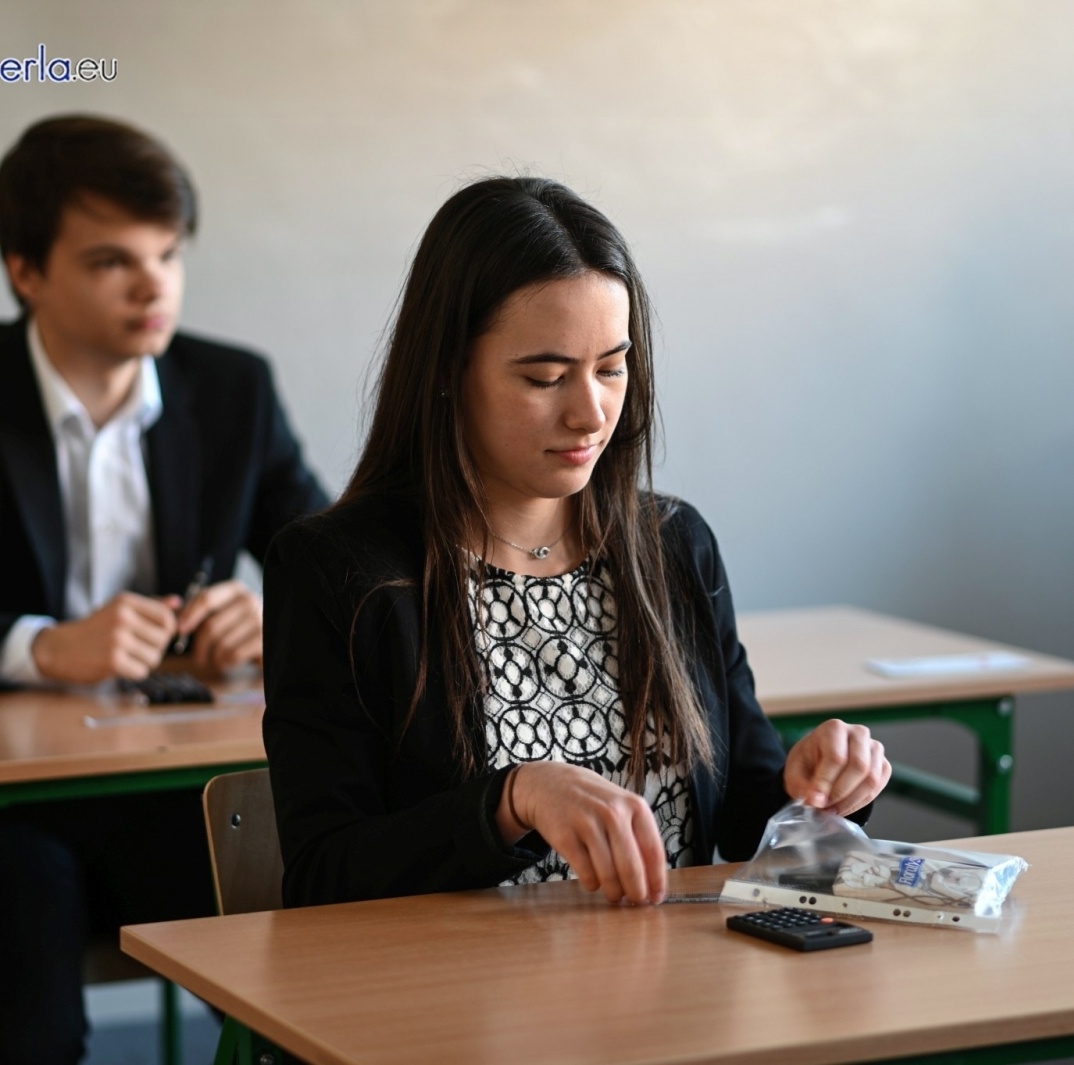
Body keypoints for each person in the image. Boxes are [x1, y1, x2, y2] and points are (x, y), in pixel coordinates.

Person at [0, 115, 329, 1063]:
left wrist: (271, 614)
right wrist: (38, 645)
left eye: (168, 254)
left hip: (170, 785)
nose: (153, 284)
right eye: (110, 261)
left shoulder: (232, 389)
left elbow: (338, 576)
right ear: (25, 271)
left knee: (307, 977)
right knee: (21, 1006)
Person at [263, 176, 891, 909]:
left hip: (670, 994)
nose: (591, 413)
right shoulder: (340, 570)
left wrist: (823, 783)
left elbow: (751, 814)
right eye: (546, 377)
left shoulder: (672, 546)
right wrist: (511, 799)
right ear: (445, 374)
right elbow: (323, 875)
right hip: (460, 1005)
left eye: (612, 368)